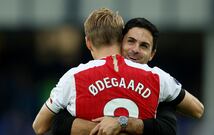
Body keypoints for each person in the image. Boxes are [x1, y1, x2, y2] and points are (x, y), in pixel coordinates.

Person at [32, 8, 204, 135]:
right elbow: (197, 110)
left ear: (88, 42)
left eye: (144, 45)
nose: (136, 50)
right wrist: (166, 104)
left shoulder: (73, 78)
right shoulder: (158, 78)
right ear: (121, 39)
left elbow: (39, 127)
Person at [52, 17, 180, 135]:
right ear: (120, 43)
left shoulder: (158, 84)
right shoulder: (85, 78)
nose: (135, 50)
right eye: (131, 41)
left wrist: (121, 123)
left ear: (152, 54)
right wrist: (115, 127)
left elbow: (169, 129)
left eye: (144, 46)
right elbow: (58, 124)